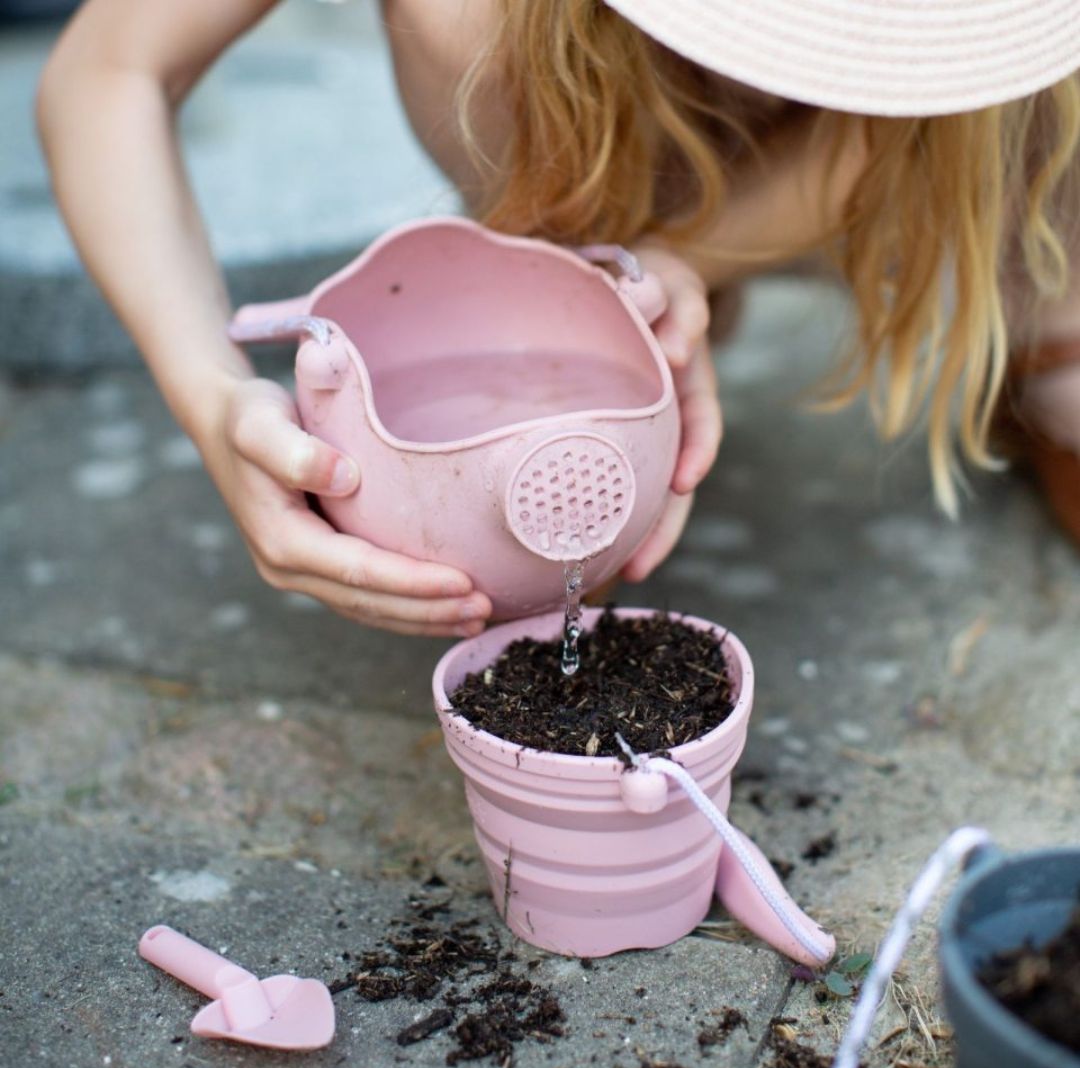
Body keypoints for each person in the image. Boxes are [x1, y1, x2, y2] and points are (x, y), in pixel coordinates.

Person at [36, 0, 1080, 638]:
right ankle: (576, 261)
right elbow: (110, 71)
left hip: (932, 154)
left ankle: (1035, 300)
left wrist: (687, 261)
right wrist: (212, 393)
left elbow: (912, 115)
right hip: (577, 85)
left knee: (1029, 137)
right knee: (468, 16)